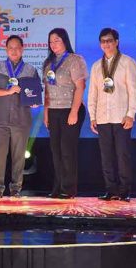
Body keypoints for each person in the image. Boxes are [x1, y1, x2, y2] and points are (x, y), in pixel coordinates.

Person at [88, 28, 136, 202]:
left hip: (121, 116)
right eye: (103, 41)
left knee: (123, 155)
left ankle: (124, 191)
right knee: (106, 156)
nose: (106, 44)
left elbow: (134, 90)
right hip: (102, 116)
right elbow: (92, 93)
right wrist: (92, 116)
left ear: (116, 41)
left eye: (109, 40)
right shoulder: (96, 66)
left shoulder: (127, 62)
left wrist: (131, 114)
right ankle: (111, 190)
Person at [0, 35, 39, 198]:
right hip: (1, 119)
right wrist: (7, 91)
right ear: (6, 49)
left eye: (17, 47)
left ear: (22, 49)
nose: (14, 51)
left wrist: (34, 101)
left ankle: (16, 188)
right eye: (11, 48)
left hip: (22, 120)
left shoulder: (30, 69)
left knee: (18, 157)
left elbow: (34, 95)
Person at [42, 28, 88, 199]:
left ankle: (68, 189)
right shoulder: (48, 63)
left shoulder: (75, 60)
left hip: (71, 109)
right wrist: (46, 113)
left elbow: (80, 86)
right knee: (56, 151)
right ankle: (58, 187)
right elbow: (46, 90)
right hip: (53, 110)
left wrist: (74, 111)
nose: (53, 44)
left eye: (57, 40)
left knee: (67, 150)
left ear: (65, 41)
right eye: (51, 41)